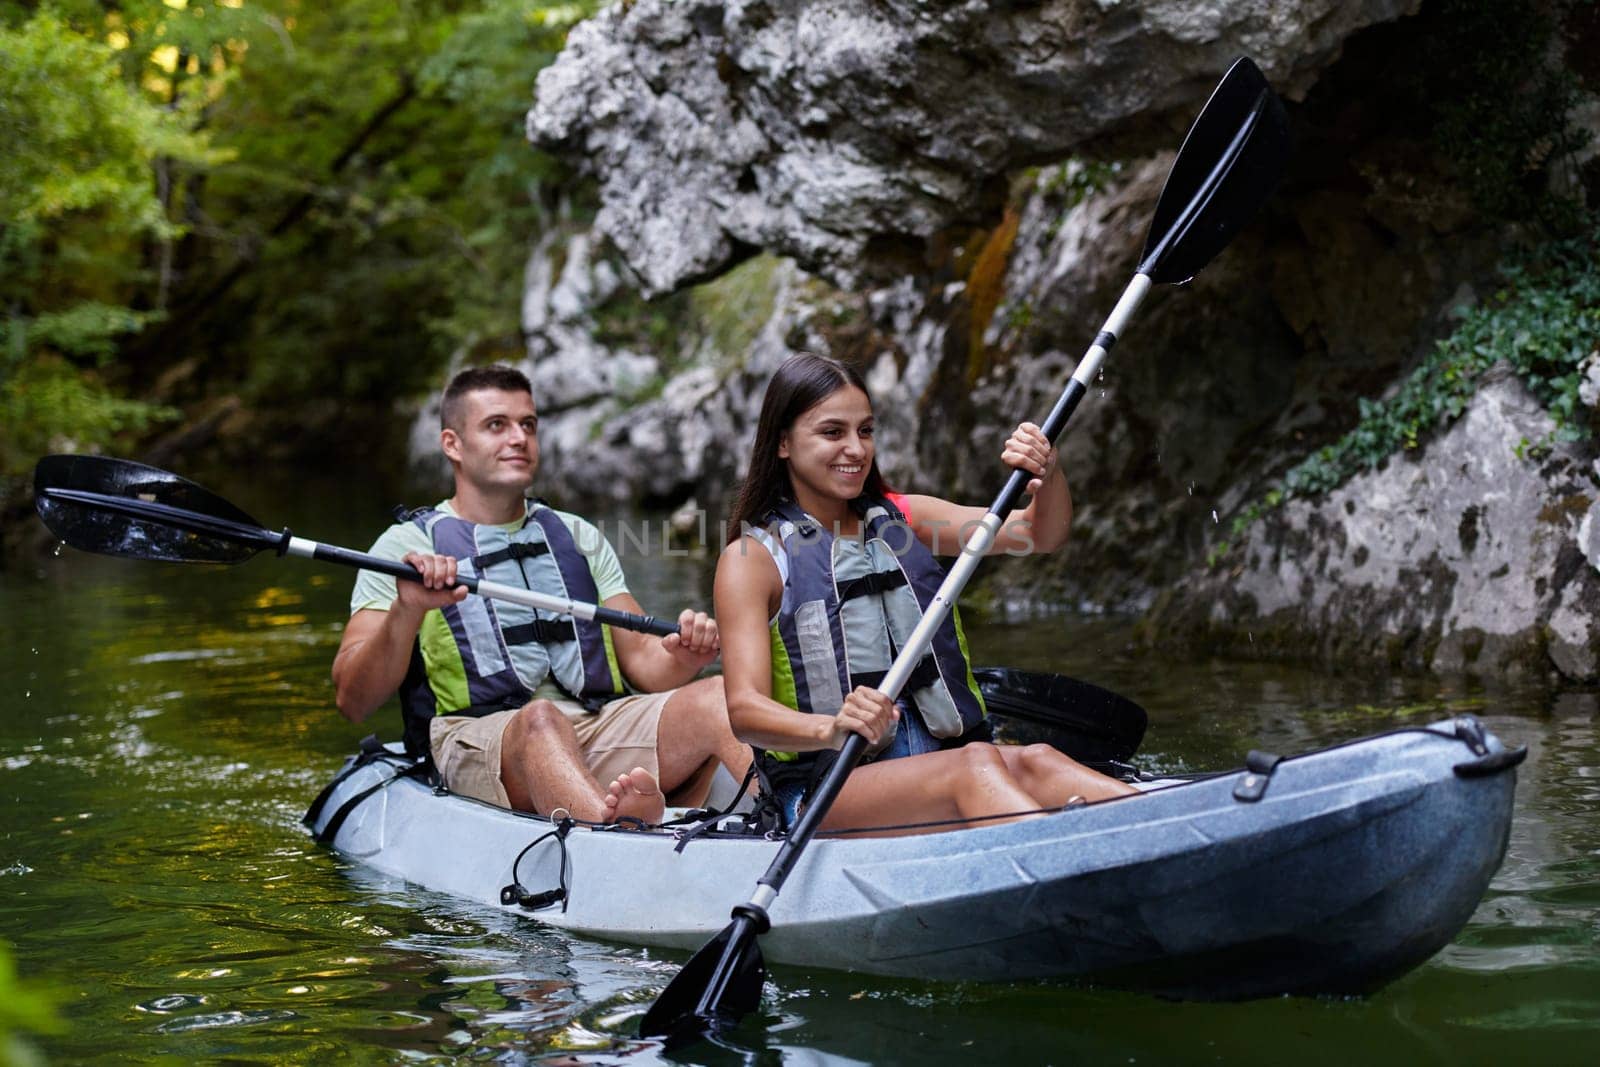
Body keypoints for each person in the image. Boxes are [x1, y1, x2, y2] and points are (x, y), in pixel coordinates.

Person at [715, 353, 1137, 835]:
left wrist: (1049, 474)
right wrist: (829, 728)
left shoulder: (905, 519)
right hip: (826, 789)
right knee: (975, 766)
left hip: (942, 762)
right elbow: (745, 711)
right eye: (832, 433)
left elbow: (1040, 534)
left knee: (1037, 760)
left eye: (866, 430)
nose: (855, 448)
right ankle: (1075, 858)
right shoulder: (752, 560)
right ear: (784, 443)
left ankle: (1176, 823)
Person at [333, 364, 749, 827]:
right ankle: (616, 837)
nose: (519, 438)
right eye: (497, 425)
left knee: (719, 695)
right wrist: (406, 609)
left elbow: (645, 666)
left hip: (596, 722)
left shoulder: (577, 535)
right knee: (541, 719)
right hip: (481, 736)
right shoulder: (400, 549)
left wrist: (687, 657)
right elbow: (354, 700)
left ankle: (804, 823)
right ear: (453, 444)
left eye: (527, 425)